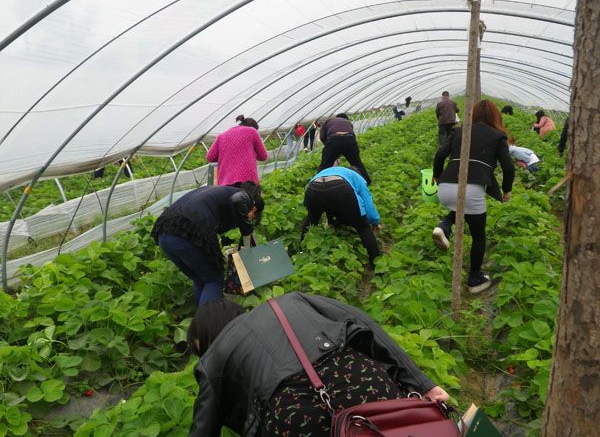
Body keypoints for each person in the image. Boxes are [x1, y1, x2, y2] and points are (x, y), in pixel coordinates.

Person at [187, 291, 451, 437]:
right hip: (360, 378)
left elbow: (202, 430)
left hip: (293, 415)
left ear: (211, 336)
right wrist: (422, 384)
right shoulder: (290, 300)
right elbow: (364, 323)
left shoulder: (216, 355)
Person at [431, 100, 514, 293]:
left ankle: (444, 225)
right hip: (471, 189)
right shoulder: (498, 135)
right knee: (478, 235)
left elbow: (440, 154)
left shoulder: (460, 131)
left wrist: (436, 174)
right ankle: (474, 279)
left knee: (459, 208)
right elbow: (508, 167)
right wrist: (506, 189)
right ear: (496, 116)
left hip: (445, 187)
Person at [150, 181, 264, 305]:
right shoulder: (243, 196)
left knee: (201, 279)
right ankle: (207, 323)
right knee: (214, 280)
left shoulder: (220, 191)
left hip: (164, 232)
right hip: (188, 230)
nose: (250, 220)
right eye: (252, 217)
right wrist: (248, 231)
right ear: (253, 209)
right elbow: (237, 200)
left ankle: (200, 319)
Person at [301, 166, 381, 268]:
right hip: (339, 188)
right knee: (363, 227)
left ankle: (301, 252)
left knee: (311, 220)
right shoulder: (358, 178)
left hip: (313, 188)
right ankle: (376, 265)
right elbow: (369, 208)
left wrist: (314, 211)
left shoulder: (328, 171)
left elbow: (319, 199)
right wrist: (375, 222)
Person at [206, 115, 268, 186]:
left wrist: (227, 156)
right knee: (245, 197)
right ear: (254, 127)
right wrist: (251, 151)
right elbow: (263, 156)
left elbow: (210, 157)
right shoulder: (252, 131)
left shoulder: (222, 136)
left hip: (226, 182)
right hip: (246, 181)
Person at [317, 113, 371, 185]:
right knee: (356, 163)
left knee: (325, 165)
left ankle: (318, 182)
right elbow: (352, 135)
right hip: (349, 139)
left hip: (334, 139)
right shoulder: (348, 123)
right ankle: (366, 181)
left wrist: (329, 148)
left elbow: (322, 137)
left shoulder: (327, 121)